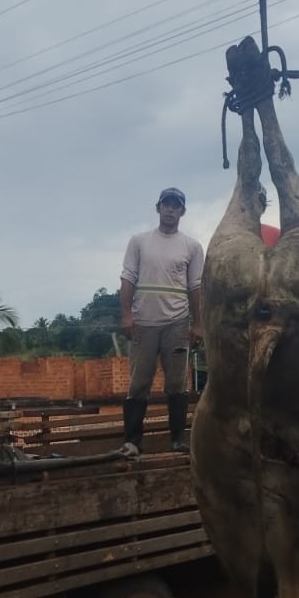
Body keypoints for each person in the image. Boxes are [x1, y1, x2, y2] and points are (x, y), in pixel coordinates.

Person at [119, 188, 204, 455]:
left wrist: (198, 323)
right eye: (166, 205)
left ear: (182, 212)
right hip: (144, 322)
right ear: (158, 209)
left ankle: (178, 440)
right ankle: (133, 441)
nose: (170, 210)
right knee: (139, 382)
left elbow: (196, 286)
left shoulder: (191, 247)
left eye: (175, 206)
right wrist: (126, 314)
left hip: (176, 323)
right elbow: (128, 278)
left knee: (177, 383)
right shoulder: (139, 242)